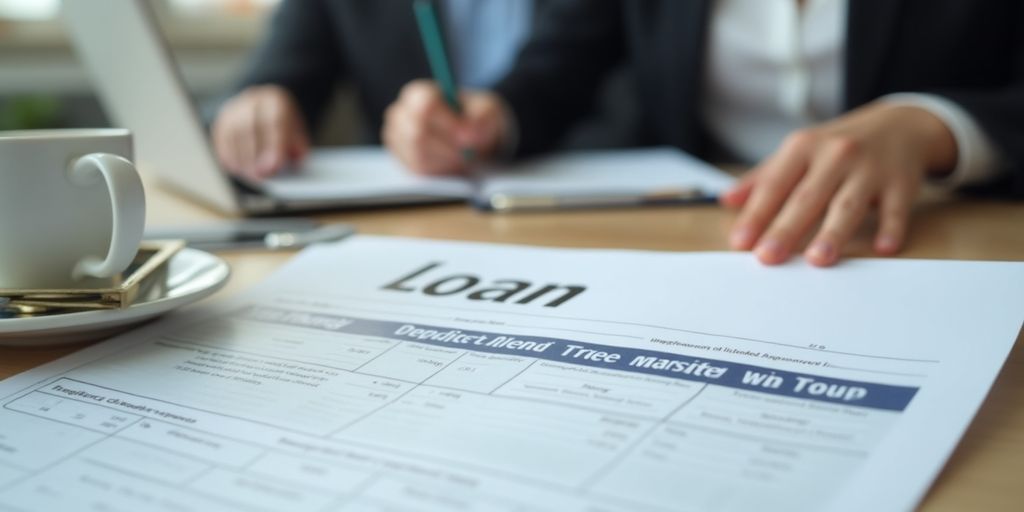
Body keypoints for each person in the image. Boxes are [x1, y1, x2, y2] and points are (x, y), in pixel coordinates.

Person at [382, 0, 1024, 267]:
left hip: (946, 228)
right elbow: (562, 63)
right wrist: (491, 117)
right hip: (711, 235)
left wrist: (934, 125)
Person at [210, 0, 637, 181]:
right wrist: (256, 109)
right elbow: (278, 75)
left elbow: (577, 64)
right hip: (407, 220)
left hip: (590, 199)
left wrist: (503, 116)